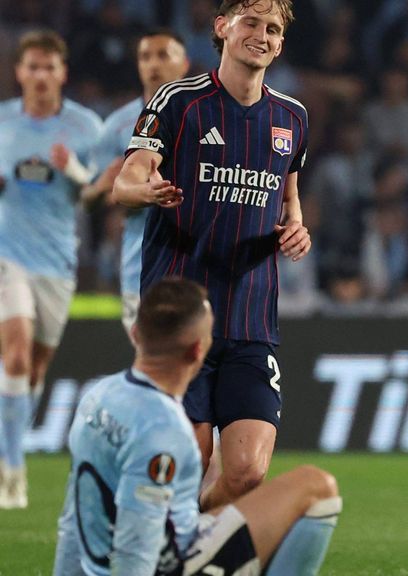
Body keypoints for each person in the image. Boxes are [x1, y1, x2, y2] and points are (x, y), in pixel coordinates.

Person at [112, 0, 311, 511]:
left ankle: (182, 534)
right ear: (222, 28)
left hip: (251, 319)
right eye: (251, 23)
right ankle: (166, 541)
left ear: (281, 42)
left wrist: (297, 229)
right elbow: (128, 178)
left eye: (273, 29)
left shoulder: (293, 117)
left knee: (247, 471)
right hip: (182, 318)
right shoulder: (179, 100)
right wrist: (148, 190)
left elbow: (289, 200)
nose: (262, 36)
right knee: (189, 461)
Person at [53, 277, 340, 575]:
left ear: (136, 334)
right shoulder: (165, 430)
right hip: (175, 563)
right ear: (197, 351)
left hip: (93, 562)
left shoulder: (97, 397)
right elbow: (136, 549)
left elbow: (77, 518)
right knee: (317, 487)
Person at [0, 29, 103, 509]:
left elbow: (103, 194)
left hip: (58, 261)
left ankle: (9, 432)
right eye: (32, 67)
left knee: (34, 370)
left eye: (49, 67)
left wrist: (78, 174)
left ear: (63, 73)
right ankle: (11, 469)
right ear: (20, 72)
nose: (40, 76)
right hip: (8, 256)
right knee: (16, 356)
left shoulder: (86, 129)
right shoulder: (1, 124)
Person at [81, 29, 190, 334]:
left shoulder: (207, 117)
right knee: (154, 361)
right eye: (145, 57)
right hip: (141, 263)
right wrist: (105, 187)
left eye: (163, 55)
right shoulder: (117, 127)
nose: (153, 64)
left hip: (198, 263)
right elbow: (90, 201)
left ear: (185, 64)